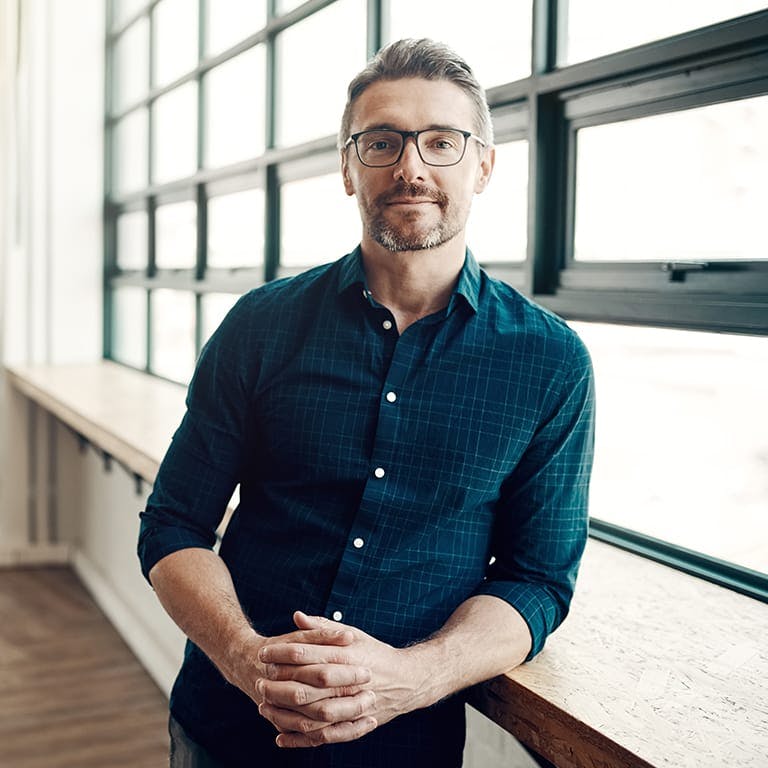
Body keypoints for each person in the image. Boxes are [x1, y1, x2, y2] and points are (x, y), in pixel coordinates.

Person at [138, 38, 595, 768]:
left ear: (483, 165)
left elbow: (537, 580)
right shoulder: (260, 326)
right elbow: (173, 524)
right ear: (348, 168)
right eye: (382, 142)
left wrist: (412, 678)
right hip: (226, 729)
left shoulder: (550, 362)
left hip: (403, 747)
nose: (411, 166)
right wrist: (245, 658)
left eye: (441, 141)